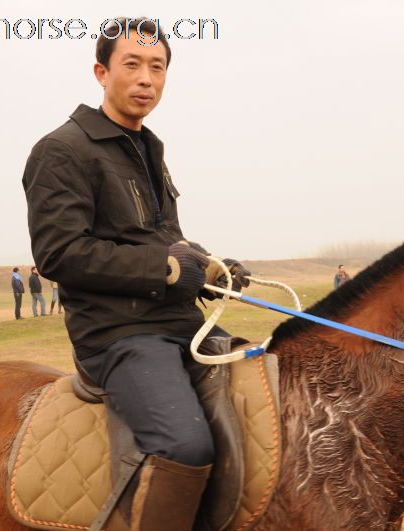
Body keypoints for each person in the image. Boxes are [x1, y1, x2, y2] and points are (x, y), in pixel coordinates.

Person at [21, 17, 250, 531]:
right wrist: (166, 270)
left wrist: (212, 265)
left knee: (270, 402)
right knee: (185, 444)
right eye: (132, 64)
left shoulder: (150, 148)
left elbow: (164, 237)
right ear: (101, 72)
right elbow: (60, 253)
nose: (147, 78)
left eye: (158, 66)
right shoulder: (62, 150)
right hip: (117, 335)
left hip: (180, 327)